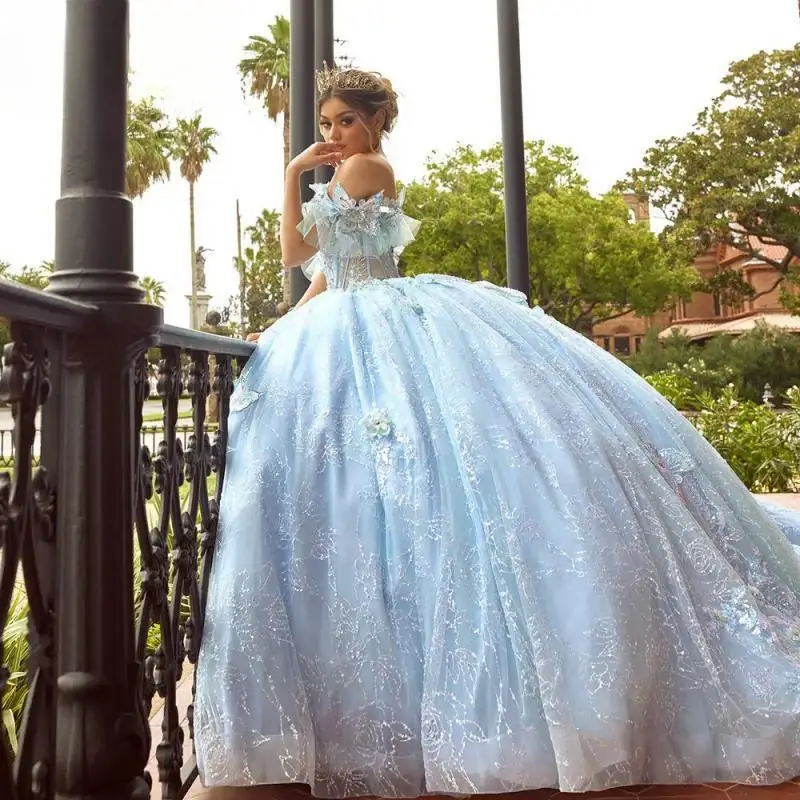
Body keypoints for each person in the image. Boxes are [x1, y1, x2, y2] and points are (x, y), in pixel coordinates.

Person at [194, 67, 800, 798]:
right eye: (324, 124)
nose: (332, 136)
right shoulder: (354, 167)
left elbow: (294, 253)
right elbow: (326, 269)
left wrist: (293, 172)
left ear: (374, 121)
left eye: (342, 121)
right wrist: (291, 318)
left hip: (377, 317)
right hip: (354, 313)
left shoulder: (366, 166)